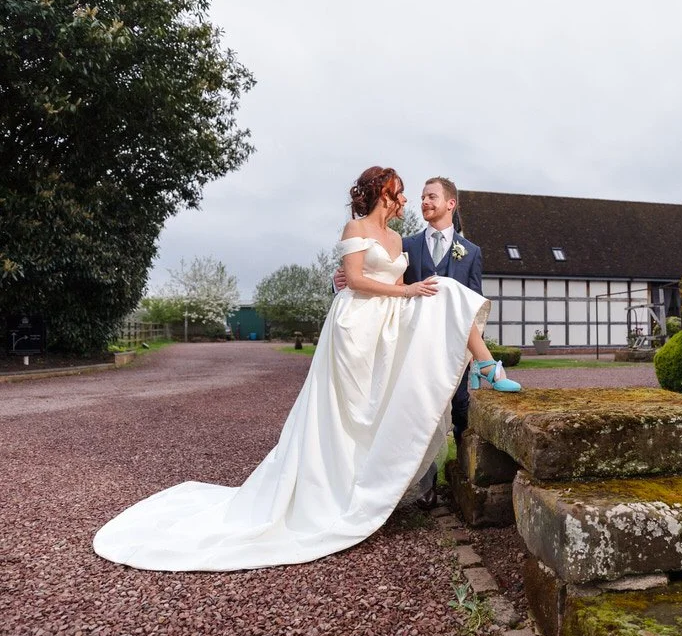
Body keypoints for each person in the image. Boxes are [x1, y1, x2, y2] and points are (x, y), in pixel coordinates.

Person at [92, 166, 519, 572]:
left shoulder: (398, 239)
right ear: (382, 194)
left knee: (417, 348)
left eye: (424, 194)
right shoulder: (371, 232)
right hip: (358, 326)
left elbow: (389, 277)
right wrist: (351, 279)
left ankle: (481, 367)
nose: (410, 199)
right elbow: (357, 276)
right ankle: (342, 484)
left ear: (450, 203)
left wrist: (387, 285)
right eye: (402, 192)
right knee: (350, 408)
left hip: (388, 326)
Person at [334, 176, 478, 510]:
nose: (420, 201)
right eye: (417, 195)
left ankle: (466, 480)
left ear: (449, 203)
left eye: (431, 196)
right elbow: (365, 276)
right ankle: (420, 486)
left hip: (448, 345)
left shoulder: (471, 252)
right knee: (410, 407)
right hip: (395, 336)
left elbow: (473, 300)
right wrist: (339, 281)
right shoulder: (407, 243)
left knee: (459, 409)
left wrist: (472, 347)